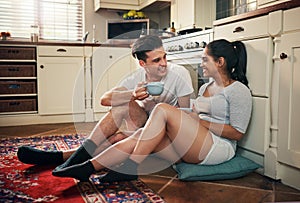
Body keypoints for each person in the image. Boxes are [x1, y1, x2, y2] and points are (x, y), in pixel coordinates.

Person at [50, 39, 253, 182]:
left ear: (220, 62)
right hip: (194, 144)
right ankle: (88, 168)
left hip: (218, 149)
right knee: (139, 135)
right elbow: (194, 117)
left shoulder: (238, 90)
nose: (201, 65)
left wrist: (196, 121)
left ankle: (130, 168)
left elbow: (237, 133)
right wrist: (188, 117)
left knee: (163, 110)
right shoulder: (205, 88)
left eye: (205, 59)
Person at [17, 35, 194, 170]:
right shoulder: (137, 78)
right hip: (142, 124)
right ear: (143, 63)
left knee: (117, 138)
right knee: (121, 102)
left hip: (165, 130)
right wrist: (132, 95)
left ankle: (62, 158)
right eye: (156, 60)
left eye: (164, 57)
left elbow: (185, 115)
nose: (164, 64)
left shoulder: (180, 74)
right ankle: (76, 157)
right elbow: (104, 99)